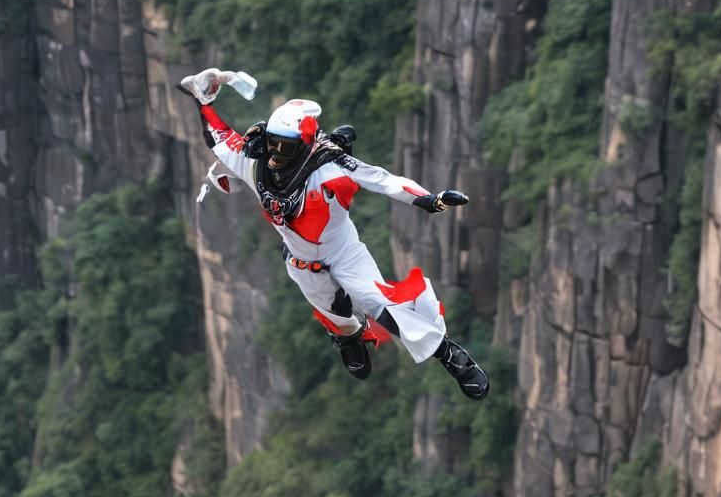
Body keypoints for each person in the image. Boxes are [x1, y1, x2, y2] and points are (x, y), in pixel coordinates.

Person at [179, 72, 489, 401]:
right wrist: (204, 100)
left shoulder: (330, 165)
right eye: (272, 142)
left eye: (284, 147)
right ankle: (348, 337)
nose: (274, 153)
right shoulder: (254, 165)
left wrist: (430, 201)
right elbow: (219, 137)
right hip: (300, 263)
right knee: (338, 318)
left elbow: (383, 180)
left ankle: (449, 355)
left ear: (304, 146)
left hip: (344, 253)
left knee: (381, 305)